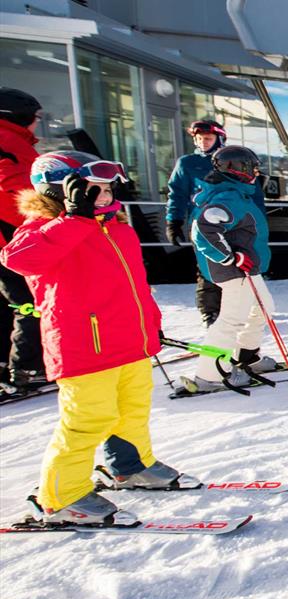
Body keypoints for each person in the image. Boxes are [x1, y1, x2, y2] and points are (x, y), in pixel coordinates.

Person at [1, 151, 198, 526]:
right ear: (63, 190)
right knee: (88, 419)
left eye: (107, 187)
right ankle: (61, 497)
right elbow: (19, 259)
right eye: (93, 188)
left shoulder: (118, 228)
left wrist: (150, 323)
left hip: (129, 342)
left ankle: (130, 466)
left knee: (132, 409)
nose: (104, 194)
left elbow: (137, 287)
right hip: (83, 346)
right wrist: (75, 219)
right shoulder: (42, 229)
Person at [175, 145, 278, 395]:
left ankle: (247, 355)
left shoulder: (234, 193)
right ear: (238, 169)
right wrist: (230, 257)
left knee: (263, 308)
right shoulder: (227, 197)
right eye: (252, 167)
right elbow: (204, 229)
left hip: (247, 269)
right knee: (232, 320)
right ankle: (208, 375)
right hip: (237, 272)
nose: (256, 172)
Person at [165, 119, 265, 327]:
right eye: (199, 138)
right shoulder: (188, 164)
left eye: (208, 138)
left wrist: (260, 223)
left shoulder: (236, 160)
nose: (203, 142)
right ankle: (210, 312)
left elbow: (253, 194)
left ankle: (238, 309)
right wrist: (173, 221)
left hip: (238, 225)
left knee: (240, 265)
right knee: (208, 267)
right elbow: (177, 194)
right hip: (205, 224)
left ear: (219, 138)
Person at [0, 87, 46, 393]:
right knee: (29, 304)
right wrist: (48, 212)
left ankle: (8, 366)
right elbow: (14, 190)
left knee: (9, 304)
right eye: (35, 118)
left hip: (8, 238)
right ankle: (27, 366)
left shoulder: (14, 141)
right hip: (11, 240)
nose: (38, 124)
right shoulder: (9, 143)